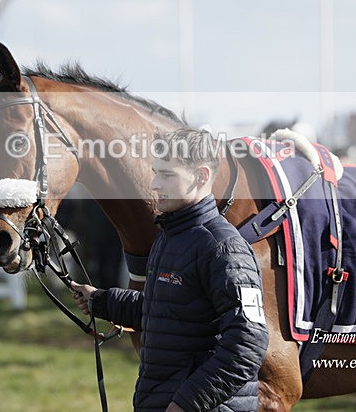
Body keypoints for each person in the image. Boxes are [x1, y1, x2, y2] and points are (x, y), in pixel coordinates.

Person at [71, 128, 269, 412]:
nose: (153, 184)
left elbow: (248, 344)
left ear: (201, 176)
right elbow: (164, 310)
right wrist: (100, 301)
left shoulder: (224, 247)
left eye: (166, 175)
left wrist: (187, 404)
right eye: (155, 172)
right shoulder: (169, 236)